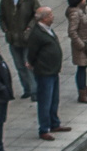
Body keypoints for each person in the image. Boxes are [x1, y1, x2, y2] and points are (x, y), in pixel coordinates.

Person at [26, 7, 67, 141]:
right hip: (44, 73)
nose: (53, 16)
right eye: (50, 14)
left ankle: (54, 123)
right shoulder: (36, 34)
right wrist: (31, 63)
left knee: (54, 99)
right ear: (43, 18)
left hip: (53, 70)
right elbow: (32, 53)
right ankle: (44, 129)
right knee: (45, 101)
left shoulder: (47, 29)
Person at [63, 0, 87, 105]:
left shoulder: (79, 10)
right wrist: (82, 45)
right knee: (81, 69)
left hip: (86, 44)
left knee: (84, 69)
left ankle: (85, 92)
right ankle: (82, 94)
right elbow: (72, 32)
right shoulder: (75, 13)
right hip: (82, 46)